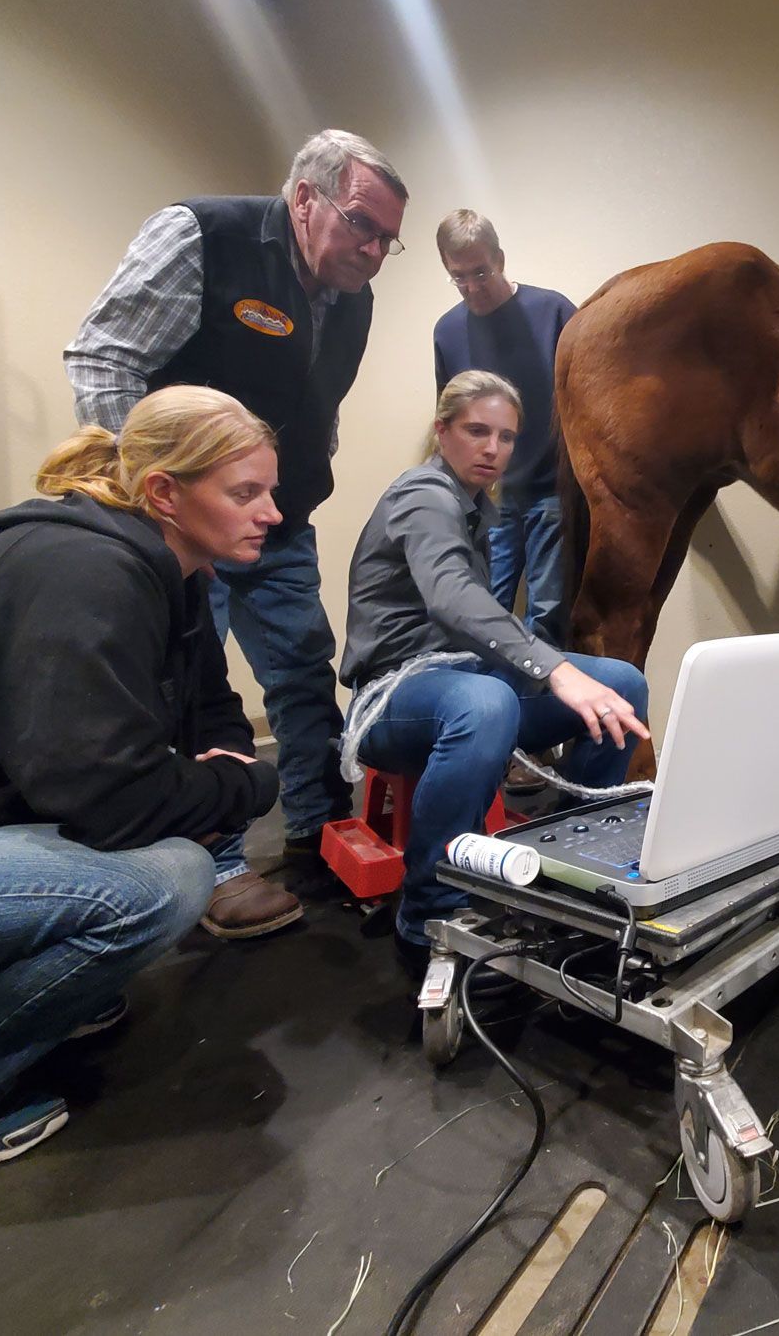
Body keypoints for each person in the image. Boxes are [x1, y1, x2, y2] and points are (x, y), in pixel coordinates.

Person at [65, 129, 409, 935]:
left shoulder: (354, 298)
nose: (374, 249)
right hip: (180, 526)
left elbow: (315, 405)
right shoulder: (202, 234)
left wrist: (299, 479)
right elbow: (103, 358)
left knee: (300, 668)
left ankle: (321, 830)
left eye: (388, 239)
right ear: (303, 198)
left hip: (277, 522)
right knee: (186, 693)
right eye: (362, 223)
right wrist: (158, 506)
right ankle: (212, 866)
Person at [0, 387, 281, 1163]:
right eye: (245, 492)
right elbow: (113, 799)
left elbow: (216, 713)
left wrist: (215, 773)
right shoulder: (87, 572)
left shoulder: (174, 572)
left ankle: (45, 999)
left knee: (166, 849)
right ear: (164, 492)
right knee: (168, 880)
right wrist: (244, 787)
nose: (271, 512)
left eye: (269, 490)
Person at [340, 371, 650, 976]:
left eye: (506, 437)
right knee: (486, 704)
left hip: (463, 679)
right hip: (394, 694)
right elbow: (453, 597)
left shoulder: (478, 508)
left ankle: (571, 868)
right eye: (476, 431)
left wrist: (564, 672)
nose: (492, 449)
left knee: (621, 684)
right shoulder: (423, 494)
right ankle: (430, 909)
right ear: (441, 431)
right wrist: (554, 669)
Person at [434, 211, 577, 792]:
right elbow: (448, 415)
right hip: (487, 498)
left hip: (548, 489)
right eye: (458, 277)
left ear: (501, 258)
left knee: (545, 613)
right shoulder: (447, 331)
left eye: (481, 272)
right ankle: (493, 737)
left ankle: (535, 744)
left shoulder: (553, 312)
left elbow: (581, 400)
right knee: (481, 614)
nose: (472, 287)